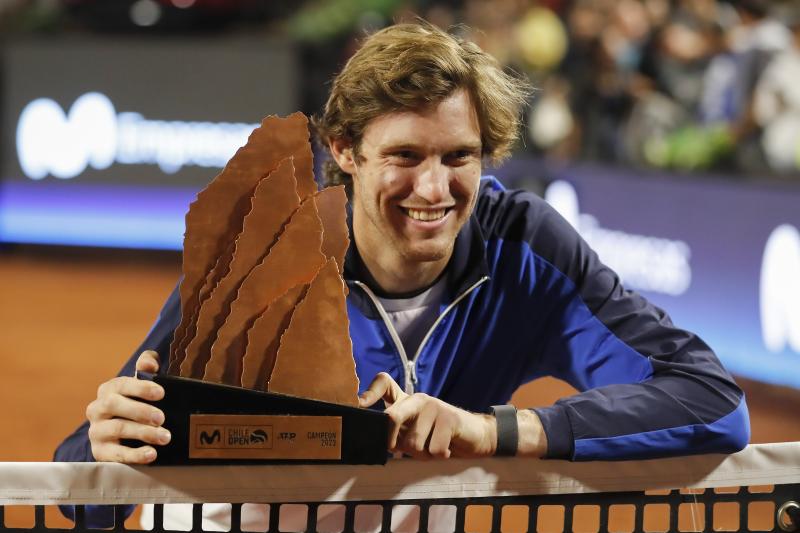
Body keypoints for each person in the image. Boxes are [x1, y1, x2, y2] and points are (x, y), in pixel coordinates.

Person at [55, 20, 749, 524]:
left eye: (459, 157)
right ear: (344, 150)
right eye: (406, 154)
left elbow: (712, 402)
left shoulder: (526, 248)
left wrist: (495, 430)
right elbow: (79, 471)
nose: (434, 187)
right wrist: (109, 444)